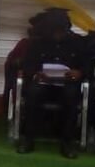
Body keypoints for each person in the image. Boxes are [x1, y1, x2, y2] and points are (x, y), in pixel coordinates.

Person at [19, 8, 86, 158]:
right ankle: (28, 139)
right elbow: (27, 65)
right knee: (32, 93)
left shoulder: (78, 42)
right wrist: (36, 74)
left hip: (67, 83)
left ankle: (67, 142)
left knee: (71, 95)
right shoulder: (37, 43)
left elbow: (87, 66)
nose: (57, 34)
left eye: (61, 31)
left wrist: (79, 72)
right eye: (54, 31)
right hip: (43, 82)